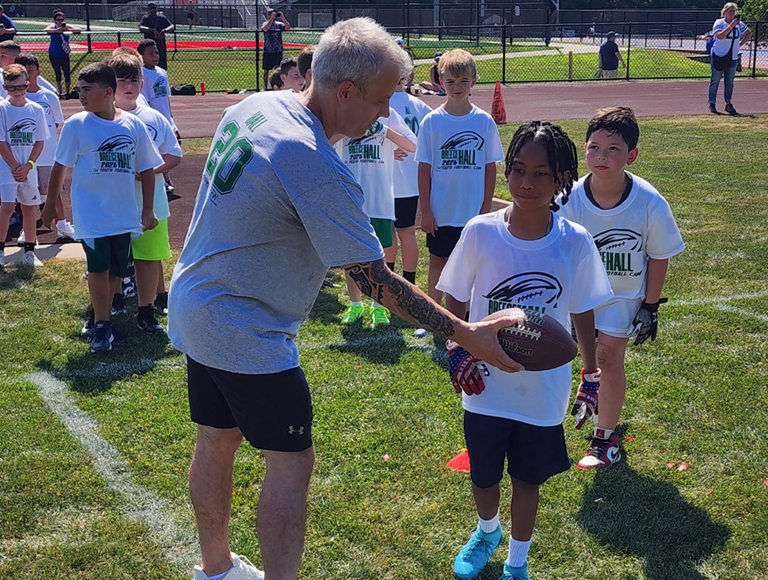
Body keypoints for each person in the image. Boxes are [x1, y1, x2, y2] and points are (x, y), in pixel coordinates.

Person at [167, 17, 523, 580]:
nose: (386, 115)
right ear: (346, 91)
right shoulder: (310, 160)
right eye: (381, 101)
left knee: (215, 439)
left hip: (196, 303)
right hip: (245, 327)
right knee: (290, 461)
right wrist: (464, 332)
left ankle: (215, 569)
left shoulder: (257, 105)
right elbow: (377, 280)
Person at [439, 121, 612, 580]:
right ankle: (487, 530)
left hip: (543, 389)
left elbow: (582, 312)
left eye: (541, 173)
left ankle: (518, 561)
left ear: (561, 180)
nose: (527, 183)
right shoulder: (481, 232)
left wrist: (590, 375)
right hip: (484, 382)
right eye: (517, 170)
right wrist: (457, 349)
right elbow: (453, 300)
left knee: (527, 479)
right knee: (483, 475)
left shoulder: (574, 240)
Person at [556, 106, 685, 470]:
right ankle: (550, 423)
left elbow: (659, 255)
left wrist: (651, 305)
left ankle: (604, 438)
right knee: (567, 355)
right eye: (594, 147)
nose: (601, 156)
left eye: (613, 149)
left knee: (608, 359)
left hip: (623, 295)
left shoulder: (648, 202)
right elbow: (555, 244)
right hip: (580, 294)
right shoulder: (571, 198)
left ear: (632, 155)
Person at [41, 62, 161, 352]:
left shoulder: (133, 125)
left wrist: (147, 209)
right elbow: (60, 167)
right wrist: (50, 207)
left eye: (87, 90)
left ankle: (104, 320)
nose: (80, 95)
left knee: (116, 271)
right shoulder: (77, 125)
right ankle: (101, 325)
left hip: (122, 213)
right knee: (98, 268)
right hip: (92, 213)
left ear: (108, 92)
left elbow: (146, 168)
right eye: (79, 90)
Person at [415, 48, 504, 311]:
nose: (457, 86)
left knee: (470, 268)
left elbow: (490, 168)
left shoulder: (484, 122)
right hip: (441, 212)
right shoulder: (432, 122)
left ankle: (465, 317)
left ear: (474, 81)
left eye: (463, 80)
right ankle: (435, 313)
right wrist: (426, 210)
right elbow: (423, 169)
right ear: (440, 81)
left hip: (472, 212)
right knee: (438, 262)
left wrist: (485, 209)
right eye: (450, 81)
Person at [110, 53, 182, 332]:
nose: (129, 86)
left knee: (148, 256)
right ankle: (115, 299)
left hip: (151, 201)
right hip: (114, 200)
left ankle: (146, 308)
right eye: (122, 81)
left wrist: (151, 171)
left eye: (134, 81)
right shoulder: (101, 117)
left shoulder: (154, 117)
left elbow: (174, 154)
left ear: (142, 84)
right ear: (110, 84)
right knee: (114, 255)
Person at [335, 109, 417, 327]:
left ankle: (379, 306)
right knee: (351, 255)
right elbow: (325, 142)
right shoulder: (344, 114)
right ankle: (355, 305)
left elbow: (413, 146)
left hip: (380, 200)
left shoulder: (388, 115)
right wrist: (348, 128)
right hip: (351, 197)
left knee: (379, 257)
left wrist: (384, 131)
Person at [14, 53, 74, 242]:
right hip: (24, 156)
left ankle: (62, 225)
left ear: (38, 71)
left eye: (31, 71)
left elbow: (55, 123)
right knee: (25, 194)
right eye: (23, 72)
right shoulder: (14, 100)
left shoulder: (49, 97)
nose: (28, 76)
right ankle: (28, 229)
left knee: (52, 192)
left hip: (47, 155)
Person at [387, 67, 432, 287]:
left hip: (387, 179)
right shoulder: (420, 106)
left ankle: (390, 278)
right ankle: (409, 281)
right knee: (407, 232)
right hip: (410, 180)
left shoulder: (382, 103)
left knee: (391, 231)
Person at [0, 64, 47, 268]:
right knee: (8, 206)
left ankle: (29, 251)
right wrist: (14, 166)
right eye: (12, 88)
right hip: (7, 166)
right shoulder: (2, 109)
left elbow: (40, 141)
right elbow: (1, 142)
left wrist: (28, 165)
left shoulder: (36, 109)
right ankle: (1, 251)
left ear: (28, 84)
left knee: (30, 208)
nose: (17, 92)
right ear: (5, 87)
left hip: (28, 167)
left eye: (21, 87)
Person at [137, 39, 178, 196]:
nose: (155, 56)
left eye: (157, 52)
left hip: (166, 118)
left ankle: (165, 177)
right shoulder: (143, 74)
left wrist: (171, 117)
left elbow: (165, 97)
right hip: (153, 119)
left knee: (168, 149)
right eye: (150, 53)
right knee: (155, 150)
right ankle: (163, 180)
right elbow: (145, 99)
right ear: (142, 56)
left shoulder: (162, 72)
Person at [708, 2, 751, 115]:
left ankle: (728, 103)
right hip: (719, 56)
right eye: (729, 11)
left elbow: (748, 33)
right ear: (725, 12)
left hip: (733, 57)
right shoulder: (719, 23)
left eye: (733, 11)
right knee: (715, 80)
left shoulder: (739, 24)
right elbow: (720, 36)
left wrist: (740, 44)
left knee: (729, 81)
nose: (732, 13)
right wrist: (731, 25)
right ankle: (712, 103)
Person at [45, 10, 81, 99]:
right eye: (58, 20)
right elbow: (46, 30)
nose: (60, 22)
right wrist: (57, 30)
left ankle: (67, 92)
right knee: (58, 73)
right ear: (55, 20)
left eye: (62, 20)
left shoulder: (66, 26)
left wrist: (68, 30)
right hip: (54, 53)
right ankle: (60, 92)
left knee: (67, 73)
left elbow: (78, 29)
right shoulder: (53, 27)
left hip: (64, 54)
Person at [261, 8, 290, 90]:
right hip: (268, 51)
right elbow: (265, 29)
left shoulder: (279, 24)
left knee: (279, 70)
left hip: (278, 51)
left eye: (273, 14)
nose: (272, 15)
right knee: (266, 70)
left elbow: (288, 28)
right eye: (270, 14)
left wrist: (283, 18)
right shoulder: (265, 23)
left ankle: (279, 86)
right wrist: (271, 20)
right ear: (268, 15)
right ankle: (265, 87)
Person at [139, 3, 174, 71]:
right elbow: (141, 27)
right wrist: (151, 30)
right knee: (149, 61)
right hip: (149, 44)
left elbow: (172, 26)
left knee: (162, 62)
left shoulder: (162, 18)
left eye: (154, 8)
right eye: (151, 8)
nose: (153, 10)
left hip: (160, 44)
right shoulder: (146, 18)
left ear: (157, 9)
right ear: (148, 10)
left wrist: (164, 31)